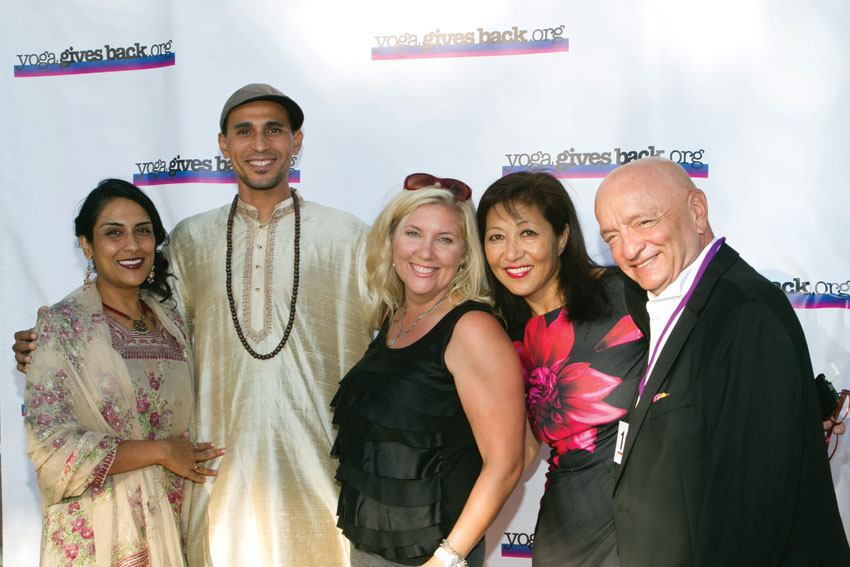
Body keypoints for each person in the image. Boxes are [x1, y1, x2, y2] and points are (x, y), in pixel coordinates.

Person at [16, 84, 371, 566]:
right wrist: (52, 340)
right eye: (244, 132)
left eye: (274, 130)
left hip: (322, 473)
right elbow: (145, 324)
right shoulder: (190, 241)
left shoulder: (350, 236)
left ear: (297, 141)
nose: (260, 144)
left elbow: (405, 326)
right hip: (216, 481)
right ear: (224, 146)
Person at [594, 157, 850, 566]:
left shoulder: (744, 312)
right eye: (611, 235)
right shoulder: (663, 299)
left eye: (643, 222)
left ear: (697, 211)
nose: (627, 248)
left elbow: (751, 510)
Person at [23, 179, 221, 567]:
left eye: (142, 232)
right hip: (98, 532)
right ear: (86, 245)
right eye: (113, 233)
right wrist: (160, 451)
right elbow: (50, 447)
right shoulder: (63, 328)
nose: (131, 245)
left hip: (173, 519)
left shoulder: (173, 322)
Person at [331, 177, 526, 567]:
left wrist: (447, 559)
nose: (426, 251)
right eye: (413, 233)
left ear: (465, 255)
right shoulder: (394, 317)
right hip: (371, 548)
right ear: (391, 242)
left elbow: (505, 465)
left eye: (445, 239)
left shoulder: (473, 329)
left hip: (431, 555)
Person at [477, 171, 647, 567]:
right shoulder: (500, 336)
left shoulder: (626, 294)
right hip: (568, 531)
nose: (512, 253)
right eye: (496, 237)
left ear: (563, 237)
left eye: (528, 234)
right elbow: (516, 450)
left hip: (649, 515)